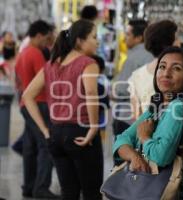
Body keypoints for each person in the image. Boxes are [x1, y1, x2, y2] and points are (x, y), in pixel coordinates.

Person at [23, 19, 103, 200]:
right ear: (80, 41)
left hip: (56, 133)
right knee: (92, 192)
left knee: (68, 192)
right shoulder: (87, 63)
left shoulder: (51, 64)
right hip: (80, 131)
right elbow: (90, 92)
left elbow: (27, 96)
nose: (97, 42)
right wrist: (93, 127)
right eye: (94, 37)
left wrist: (45, 130)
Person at [113, 46, 183, 170]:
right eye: (162, 67)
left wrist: (144, 137)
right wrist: (134, 156)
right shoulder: (158, 105)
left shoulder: (178, 106)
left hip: (165, 186)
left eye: (176, 68)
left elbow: (160, 157)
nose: (166, 74)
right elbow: (121, 139)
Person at [14, 20, 58, 199]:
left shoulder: (22, 53)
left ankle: (29, 187)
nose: (47, 42)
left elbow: (18, 81)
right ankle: (41, 187)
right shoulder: (36, 54)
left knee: (29, 147)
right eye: (46, 38)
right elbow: (46, 80)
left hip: (26, 104)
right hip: (38, 104)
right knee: (46, 145)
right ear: (39, 35)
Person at [112, 19, 153, 154]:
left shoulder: (134, 58)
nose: (125, 38)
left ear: (139, 37)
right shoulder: (153, 55)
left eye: (128, 34)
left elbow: (120, 89)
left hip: (127, 116)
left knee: (122, 161)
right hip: (145, 118)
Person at [128, 20, 178, 120]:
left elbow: (137, 118)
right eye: (176, 39)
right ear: (169, 44)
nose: (179, 42)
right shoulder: (179, 73)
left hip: (147, 132)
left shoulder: (136, 76)